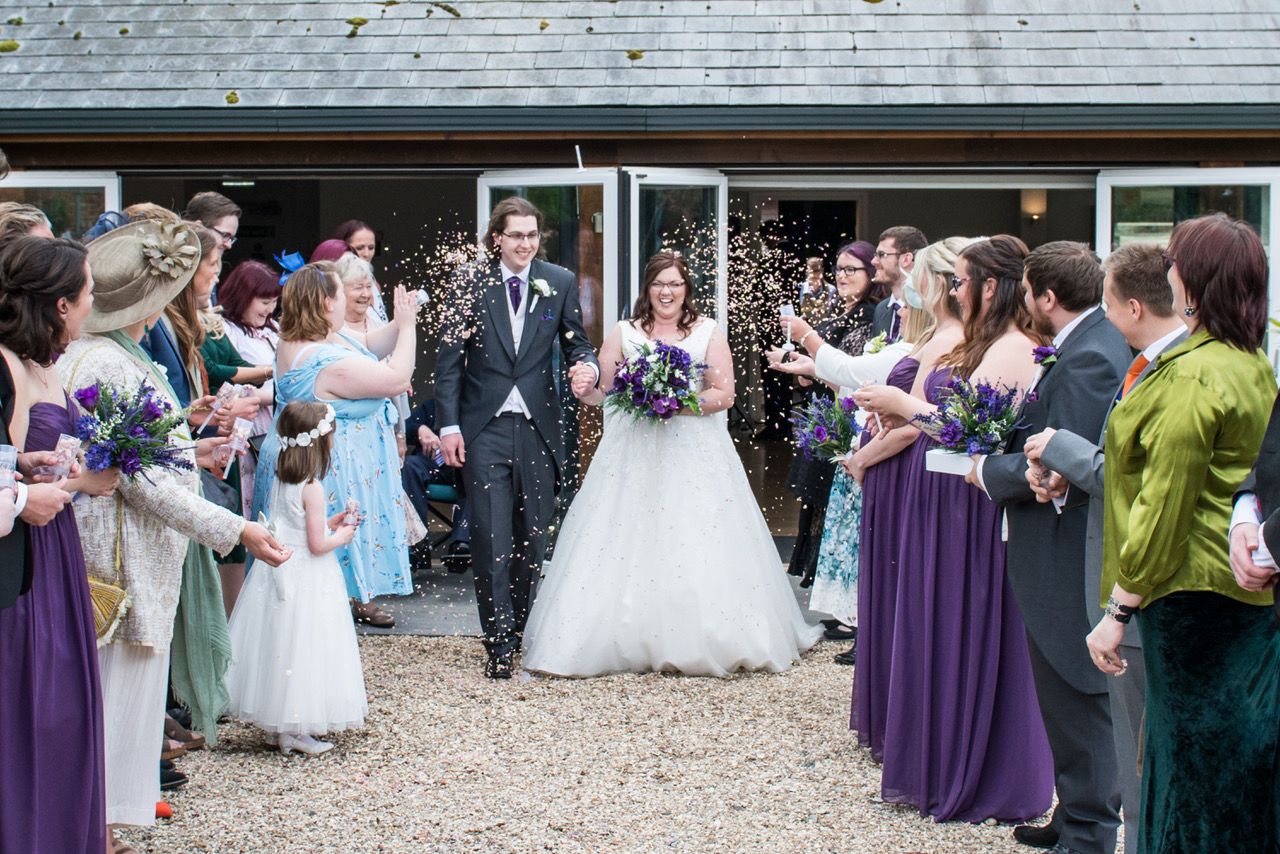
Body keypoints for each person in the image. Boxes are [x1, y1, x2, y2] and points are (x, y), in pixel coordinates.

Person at [57, 219, 289, 835]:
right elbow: (141, 479)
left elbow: (149, 447)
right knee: (111, 705)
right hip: (117, 558)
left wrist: (191, 431)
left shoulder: (119, 355)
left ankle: (107, 824)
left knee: (128, 703)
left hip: (143, 553)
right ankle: (97, 829)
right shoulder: (100, 361)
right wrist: (236, 528)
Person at [522, 250, 822, 677]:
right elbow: (601, 393)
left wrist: (674, 402)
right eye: (659, 284)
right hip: (631, 455)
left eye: (675, 284)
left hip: (693, 452)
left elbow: (725, 395)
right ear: (647, 288)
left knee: (695, 536)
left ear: (687, 290)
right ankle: (619, 637)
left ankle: (700, 638)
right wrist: (582, 385)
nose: (667, 292)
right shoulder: (624, 332)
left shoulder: (707, 332)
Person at [1084, 213, 1277, 852]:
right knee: (1233, 766)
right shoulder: (1252, 362)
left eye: (1175, 261)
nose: (1167, 270)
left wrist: (1118, 608)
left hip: (1191, 595)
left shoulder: (1193, 373)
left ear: (1193, 282)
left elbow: (1165, 504)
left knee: (1189, 772)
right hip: (1240, 592)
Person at [855, 235, 1053, 823]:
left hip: (973, 511)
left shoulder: (1015, 347)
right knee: (932, 625)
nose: (955, 292)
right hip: (941, 501)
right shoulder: (979, 342)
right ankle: (939, 761)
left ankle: (983, 772)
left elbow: (981, 435)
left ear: (991, 287)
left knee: (965, 626)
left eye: (962, 282)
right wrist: (899, 407)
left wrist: (905, 404)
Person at [1023, 243, 1188, 854]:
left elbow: (1132, 477)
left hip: (1122, 567)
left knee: (1119, 722)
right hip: (1110, 557)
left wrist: (1056, 455)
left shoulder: (1129, 359)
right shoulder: (1134, 356)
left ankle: (1101, 828)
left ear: (1133, 304)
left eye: (1112, 302)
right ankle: (1090, 819)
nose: (1106, 315)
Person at [973, 242, 1130, 854]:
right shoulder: (1082, 344)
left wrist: (987, 472)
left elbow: (1065, 465)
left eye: (1029, 292)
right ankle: (1073, 815)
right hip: (1052, 544)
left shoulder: (1091, 355)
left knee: (1078, 691)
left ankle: (1091, 832)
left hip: (1068, 551)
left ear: (1046, 296)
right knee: (1059, 693)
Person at [435, 196, 600, 679]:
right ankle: (498, 644)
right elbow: (448, 361)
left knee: (532, 536)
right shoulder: (469, 281)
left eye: (532, 235)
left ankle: (522, 630)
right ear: (497, 238)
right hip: (483, 429)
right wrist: (448, 426)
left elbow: (576, 341)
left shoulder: (560, 281)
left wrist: (585, 367)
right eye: (517, 235)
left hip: (539, 429)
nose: (526, 244)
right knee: (490, 537)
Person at [0, 235, 114, 853]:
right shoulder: (9, 369)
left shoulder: (46, 366)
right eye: (89, 291)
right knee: (34, 705)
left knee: (66, 706)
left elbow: (33, 464)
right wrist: (59, 483)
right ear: (62, 304)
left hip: (58, 544)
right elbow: (4, 473)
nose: (95, 301)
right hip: (24, 550)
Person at [252, 262, 418, 629]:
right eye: (342, 293)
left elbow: (371, 344)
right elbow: (395, 379)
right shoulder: (323, 360)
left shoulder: (313, 338)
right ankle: (319, 642)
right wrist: (407, 327)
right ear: (327, 303)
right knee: (322, 566)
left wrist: (403, 317)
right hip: (325, 466)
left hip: (319, 457)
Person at [225, 402, 367, 757]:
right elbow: (318, 545)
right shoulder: (312, 486)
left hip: (279, 570)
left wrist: (330, 521)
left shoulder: (281, 478)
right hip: (307, 574)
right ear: (319, 442)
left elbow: (298, 525)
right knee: (305, 645)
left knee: (279, 643)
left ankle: (280, 724)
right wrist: (343, 535)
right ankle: (296, 728)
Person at [776, 241, 881, 650]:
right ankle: (845, 610)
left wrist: (811, 349)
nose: (842, 276)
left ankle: (856, 615)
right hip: (837, 415)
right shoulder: (845, 311)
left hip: (858, 420)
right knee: (831, 516)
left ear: (872, 274)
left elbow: (855, 374)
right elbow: (833, 372)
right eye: (839, 269)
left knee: (849, 521)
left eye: (852, 270)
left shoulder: (874, 315)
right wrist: (807, 368)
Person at [870, 226, 928, 342]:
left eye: (882, 254)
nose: (874, 261)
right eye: (875, 255)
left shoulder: (927, 308)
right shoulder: (881, 309)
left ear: (906, 259)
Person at [333, 219, 387, 323]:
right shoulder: (335, 284)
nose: (366, 254)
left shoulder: (375, 285)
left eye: (371, 248)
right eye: (360, 248)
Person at [795, 256, 836, 326]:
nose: (813, 275)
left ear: (822, 270)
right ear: (806, 271)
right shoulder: (799, 289)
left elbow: (836, 315)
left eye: (816, 271)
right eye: (810, 271)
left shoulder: (832, 290)